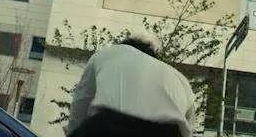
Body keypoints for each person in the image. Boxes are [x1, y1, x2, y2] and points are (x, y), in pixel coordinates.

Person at [67, 32, 195, 137]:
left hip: (113, 125)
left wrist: (73, 132)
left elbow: (82, 101)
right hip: (168, 132)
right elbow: (189, 126)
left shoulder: (108, 54)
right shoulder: (180, 78)